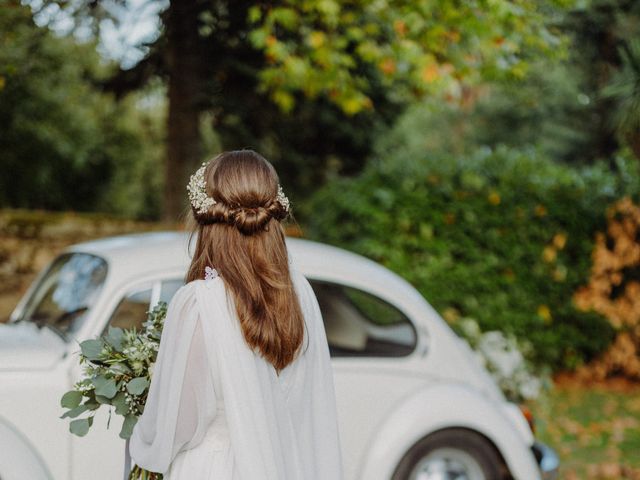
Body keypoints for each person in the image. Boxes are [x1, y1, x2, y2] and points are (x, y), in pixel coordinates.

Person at [128, 149, 344, 479]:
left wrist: (146, 423)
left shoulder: (200, 303)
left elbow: (179, 425)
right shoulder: (300, 293)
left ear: (206, 223)